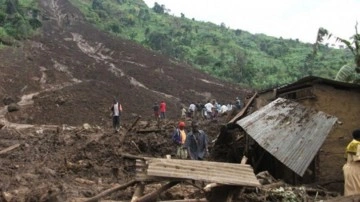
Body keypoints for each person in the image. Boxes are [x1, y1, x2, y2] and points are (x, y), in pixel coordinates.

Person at [343, 129, 360, 196]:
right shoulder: (357, 144)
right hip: (354, 169)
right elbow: (357, 159)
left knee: (351, 190)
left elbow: (345, 158)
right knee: (356, 191)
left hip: (350, 168)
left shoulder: (351, 144)